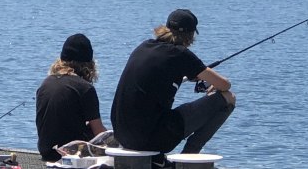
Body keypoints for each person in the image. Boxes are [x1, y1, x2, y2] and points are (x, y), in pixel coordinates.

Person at [111, 9, 236, 169]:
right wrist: (209, 83)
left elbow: (161, 72)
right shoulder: (181, 54)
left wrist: (194, 75)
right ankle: (188, 157)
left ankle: (160, 159)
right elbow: (225, 85)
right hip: (150, 139)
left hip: (122, 135)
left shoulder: (143, 46)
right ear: (191, 35)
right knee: (228, 98)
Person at [36, 33, 108, 162]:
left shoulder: (45, 83)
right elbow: (99, 133)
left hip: (47, 153)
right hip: (70, 155)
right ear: (89, 65)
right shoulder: (85, 88)